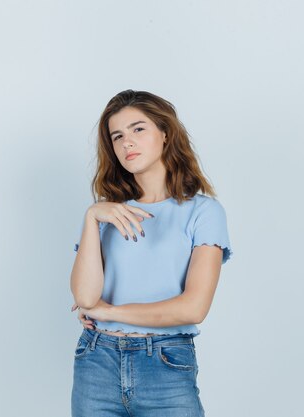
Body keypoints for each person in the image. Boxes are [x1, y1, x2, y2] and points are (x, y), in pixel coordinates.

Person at [69, 89, 233, 417]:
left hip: (166, 364)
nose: (126, 142)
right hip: (97, 363)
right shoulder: (107, 215)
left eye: (138, 129)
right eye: (117, 136)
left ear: (165, 133)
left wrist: (109, 311)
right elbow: (86, 298)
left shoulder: (203, 211)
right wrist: (92, 217)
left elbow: (193, 308)